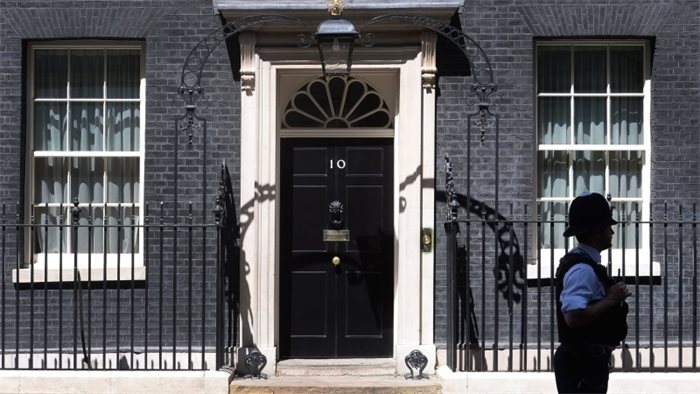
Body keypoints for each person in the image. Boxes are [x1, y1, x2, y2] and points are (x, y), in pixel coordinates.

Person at [553, 192, 631, 393]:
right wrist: (612, 299)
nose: (612, 233)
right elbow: (573, 317)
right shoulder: (582, 269)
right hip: (582, 366)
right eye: (608, 227)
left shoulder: (584, 263)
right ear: (597, 232)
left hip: (584, 364)